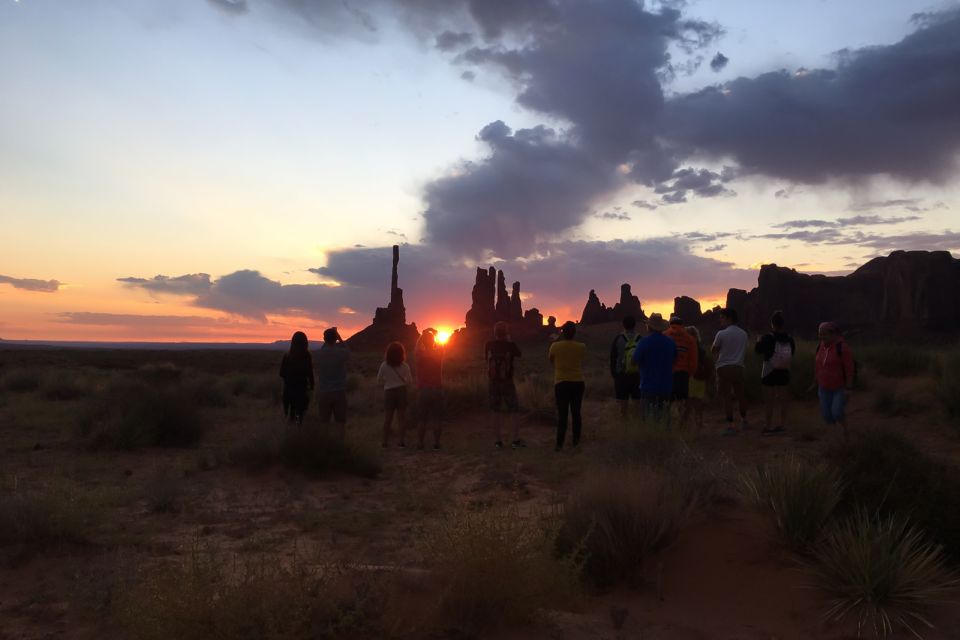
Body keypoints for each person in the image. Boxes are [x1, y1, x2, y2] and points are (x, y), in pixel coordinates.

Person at [811, 321, 855, 440]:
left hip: (839, 388)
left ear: (833, 334)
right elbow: (818, 366)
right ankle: (836, 434)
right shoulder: (820, 347)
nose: (821, 337)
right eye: (820, 334)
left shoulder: (842, 348)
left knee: (836, 412)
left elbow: (849, 369)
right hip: (823, 387)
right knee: (826, 416)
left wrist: (849, 388)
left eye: (824, 334)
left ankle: (845, 430)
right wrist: (815, 382)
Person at [755, 311, 796, 436]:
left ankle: (769, 426)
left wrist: (758, 341)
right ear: (783, 324)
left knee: (769, 401)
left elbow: (758, 351)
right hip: (784, 371)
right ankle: (782, 425)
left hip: (769, 371)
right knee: (783, 400)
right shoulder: (790, 338)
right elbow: (792, 353)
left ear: (772, 324)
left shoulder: (767, 337)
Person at [632, 313, 676, 426]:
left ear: (649, 327)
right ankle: (665, 439)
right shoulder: (670, 342)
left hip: (648, 385)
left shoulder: (644, 342)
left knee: (648, 417)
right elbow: (675, 359)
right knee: (665, 416)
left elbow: (634, 360)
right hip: (666, 385)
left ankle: (652, 439)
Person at [485, 321, 523, 449]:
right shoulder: (510, 345)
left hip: (493, 382)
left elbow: (486, 359)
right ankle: (515, 440)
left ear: (494, 333)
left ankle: (498, 442)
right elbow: (519, 354)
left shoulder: (488, 345)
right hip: (507, 381)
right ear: (506, 332)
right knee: (514, 410)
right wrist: (509, 340)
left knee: (495, 411)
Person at [549, 321, 587, 451]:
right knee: (576, 414)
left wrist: (558, 338)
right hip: (578, 383)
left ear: (562, 332)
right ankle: (576, 443)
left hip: (561, 383)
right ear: (575, 333)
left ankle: (559, 445)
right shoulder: (582, 346)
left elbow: (551, 360)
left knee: (562, 414)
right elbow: (581, 359)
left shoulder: (554, 346)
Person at [711, 308, 749, 436]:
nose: (720, 320)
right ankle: (744, 420)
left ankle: (730, 425)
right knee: (740, 395)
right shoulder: (744, 334)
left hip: (724, 368)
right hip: (739, 367)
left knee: (726, 397)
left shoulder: (721, 334)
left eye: (722, 317)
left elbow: (714, 350)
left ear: (729, 318)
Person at [314, 327, 350, 439]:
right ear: (335, 339)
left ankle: (325, 446)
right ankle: (340, 446)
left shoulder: (319, 354)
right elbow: (348, 351)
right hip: (339, 391)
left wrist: (329, 339)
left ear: (324, 339)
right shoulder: (341, 353)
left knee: (324, 421)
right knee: (340, 422)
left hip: (324, 392)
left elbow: (323, 348)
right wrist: (340, 338)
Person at [377, 341, 413, 448]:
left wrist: (387, 382)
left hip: (389, 392)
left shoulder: (384, 365)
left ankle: (384, 442)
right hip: (401, 391)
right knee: (401, 419)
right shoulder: (405, 366)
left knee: (388, 419)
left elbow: (378, 380)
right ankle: (401, 442)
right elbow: (410, 381)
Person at [415, 328, 444, 450]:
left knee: (422, 419)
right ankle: (436, 444)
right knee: (436, 418)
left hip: (424, 391)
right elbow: (442, 345)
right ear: (433, 342)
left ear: (423, 342)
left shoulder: (420, 355)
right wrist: (435, 335)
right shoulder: (438, 354)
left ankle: (420, 444)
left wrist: (423, 335)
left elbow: (416, 347)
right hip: (437, 390)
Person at [665, 315, 698, 420]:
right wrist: (690, 373)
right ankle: (682, 424)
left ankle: (668, 423)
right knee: (682, 400)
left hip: (667, 373)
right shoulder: (690, 339)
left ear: (670, 324)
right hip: (683, 373)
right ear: (682, 325)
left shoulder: (664, 335)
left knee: (667, 401)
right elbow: (693, 359)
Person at [279, 331, 314, 425]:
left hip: (288, 391)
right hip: (301, 391)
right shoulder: (307, 356)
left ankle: (291, 434)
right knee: (300, 417)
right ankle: (297, 435)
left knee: (290, 416)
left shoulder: (287, 356)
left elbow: (281, 374)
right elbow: (310, 374)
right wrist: (311, 388)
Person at [610, 316, 642, 418]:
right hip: (637, 375)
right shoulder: (641, 339)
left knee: (623, 404)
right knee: (637, 402)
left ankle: (624, 424)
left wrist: (614, 374)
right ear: (635, 325)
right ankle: (637, 425)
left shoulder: (618, 338)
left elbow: (613, 358)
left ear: (623, 325)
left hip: (622, 375)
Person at [681, 326, 710, 430]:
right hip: (700, 377)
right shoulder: (701, 348)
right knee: (698, 402)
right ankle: (699, 425)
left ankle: (683, 426)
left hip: (690, 376)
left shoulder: (686, 347)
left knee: (688, 403)